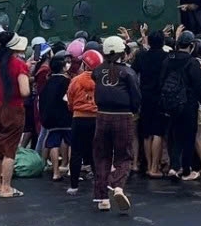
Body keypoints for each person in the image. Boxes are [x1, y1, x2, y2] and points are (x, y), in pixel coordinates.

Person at [91, 36, 139, 213]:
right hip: (123, 115)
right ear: (122, 53)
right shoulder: (127, 72)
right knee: (124, 155)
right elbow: (135, 95)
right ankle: (117, 185)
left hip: (102, 115)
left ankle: (102, 198)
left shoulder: (97, 71)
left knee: (101, 155)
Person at [161, 30, 201, 182]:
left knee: (175, 136)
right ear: (191, 45)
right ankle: (187, 169)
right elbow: (199, 86)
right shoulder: (192, 62)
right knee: (189, 137)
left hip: (171, 104)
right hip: (188, 103)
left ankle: (174, 167)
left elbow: (161, 81)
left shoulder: (168, 59)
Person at [0, 32, 31, 198]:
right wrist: (28, 77)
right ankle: (6, 187)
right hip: (14, 109)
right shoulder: (19, 65)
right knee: (9, 150)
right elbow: (25, 91)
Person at [132, 30, 170, 178]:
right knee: (158, 133)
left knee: (146, 133)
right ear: (163, 42)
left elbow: (133, 73)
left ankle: (148, 166)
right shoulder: (167, 57)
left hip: (145, 96)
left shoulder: (141, 56)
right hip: (161, 97)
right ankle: (155, 167)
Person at [65, 49, 102, 196]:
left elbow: (70, 100)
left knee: (76, 152)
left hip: (79, 118)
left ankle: (74, 186)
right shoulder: (100, 80)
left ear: (85, 65)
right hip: (96, 118)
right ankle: (99, 182)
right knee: (96, 151)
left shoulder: (76, 80)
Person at [38, 54, 73, 181]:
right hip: (66, 117)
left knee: (53, 143)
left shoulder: (47, 83)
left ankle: (56, 172)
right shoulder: (67, 82)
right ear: (63, 67)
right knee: (71, 142)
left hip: (50, 119)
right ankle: (71, 169)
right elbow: (69, 99)